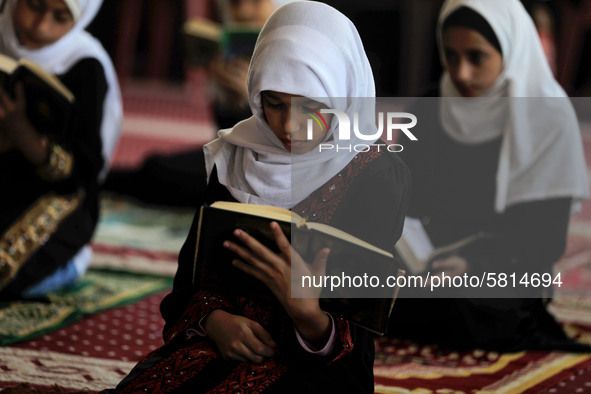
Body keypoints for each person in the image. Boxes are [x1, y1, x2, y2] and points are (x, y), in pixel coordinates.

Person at [110, 2, 410, 392]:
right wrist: (214, 321)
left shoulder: (376, 173)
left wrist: (308, 317)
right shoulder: (237, 155)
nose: (288, 126)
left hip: (319, 364)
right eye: (274, 104)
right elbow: (191, 279)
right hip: (225, 346)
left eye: (311, 107)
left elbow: (359, 324)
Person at [388, 0, 590, 351]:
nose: (461, 73)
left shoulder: (548, 118)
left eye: (476, 57)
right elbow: (401, 202)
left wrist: (472, 264)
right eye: (450, 56)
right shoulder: (428, 106)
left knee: (476, 307)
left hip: (501, 269)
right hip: (425, 268)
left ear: (510, 51)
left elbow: (543, 241)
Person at [103, 0, 294, 208]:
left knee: (161, 172)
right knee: (157, 166)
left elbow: (279, 142)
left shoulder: (298, 55)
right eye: (235, 3)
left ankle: (100, 180)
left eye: (256, 2)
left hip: (275, 171)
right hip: (236, 159)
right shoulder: (234, 48)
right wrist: (232, 99)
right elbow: (226, 136)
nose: (245, 11)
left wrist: (252, 100)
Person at [0, 0, 122, 299]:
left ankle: (67, 262)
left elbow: (82, 172)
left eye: (60, 16)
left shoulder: (86, 64)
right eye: (34, 5)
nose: (40, 26)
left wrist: (21, 132)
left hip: (53, 193)